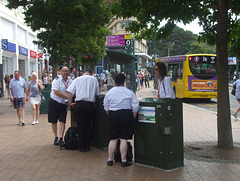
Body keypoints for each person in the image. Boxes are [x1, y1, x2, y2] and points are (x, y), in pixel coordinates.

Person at [103, 73, 139, 167]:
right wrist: (132, 117)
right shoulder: (129, 92)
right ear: (124, 81)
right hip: (125, 115)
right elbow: (135, 106)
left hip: (113, 114)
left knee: (113, 138)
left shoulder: (110, 92)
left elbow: (106, 105)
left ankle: (110, 159)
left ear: (115, 81)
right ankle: (124, 161)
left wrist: (110, 114)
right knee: (123, 139)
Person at [67, 69, 100, 152]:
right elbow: (97, 94)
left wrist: (70, 102)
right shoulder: (94, 79)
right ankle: (87, 145)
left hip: (79, 104)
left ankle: (81, 146)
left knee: (80, 125)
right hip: (90, 104)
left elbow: (69, 92)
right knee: (88, 125)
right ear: (91, 73)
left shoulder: (77, 79)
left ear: (83, 73)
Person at [48, 67, 72, 146]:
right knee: (54, 121)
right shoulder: (56, 80)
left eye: (66, 71)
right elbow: (56, 91)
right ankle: (56, 137)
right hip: (54, 102)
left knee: (62, 121)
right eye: (64, 71)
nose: (65, 72)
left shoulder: (70, 80)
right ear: (61, 72)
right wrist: (66, 96)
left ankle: (61, 138)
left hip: (63, 103)